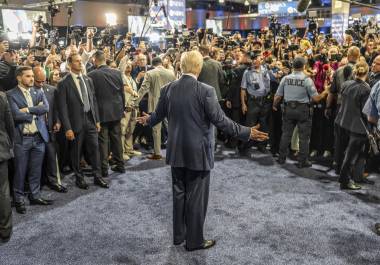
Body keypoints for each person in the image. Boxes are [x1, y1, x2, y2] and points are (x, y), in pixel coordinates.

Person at [137, 50, 268, 251]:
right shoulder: (206, 90)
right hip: (198, 152)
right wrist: (246, 132)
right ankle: (195, 241)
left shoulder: (168, 89)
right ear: (199, 67)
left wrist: (147, 119)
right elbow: (220, 121)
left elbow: (156, 116)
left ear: (181, 66)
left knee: (179, 194)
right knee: (196, 199)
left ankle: (179, 236)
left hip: (175, 151)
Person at [57, 53, 109, 190]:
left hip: (90, 121)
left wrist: (97, 120)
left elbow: (93, 101)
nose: (80, 63)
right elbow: (62, 109)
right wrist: (67, 128)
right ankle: (79, 178)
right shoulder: (63, 83)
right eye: (77, 61)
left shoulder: (88, 80)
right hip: (75, 123)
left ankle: (98, 177)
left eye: (81, 61)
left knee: (95, 150)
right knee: (76, 152)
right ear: (69, 64)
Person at [7, 66, 52, 214]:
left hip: (38, 137)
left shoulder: (38, 91)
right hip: (22, 139)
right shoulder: (10, 94)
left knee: (36, 170)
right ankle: (18, 199)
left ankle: (35, 195)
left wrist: (27, 110)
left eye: (32, 76)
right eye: (28, 76)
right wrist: (34, 111)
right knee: (20, 171)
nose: (32, 79)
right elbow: (15, 115)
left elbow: (46, 108)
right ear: (19, 78)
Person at [273, 57, 329, 168]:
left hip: (288, 109)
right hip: (303, 110)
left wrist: (274, 105)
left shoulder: (286, 78)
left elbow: (278, 96)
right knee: (304, 138)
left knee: (286, 134)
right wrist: (326, 91)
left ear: (293, 66)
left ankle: (281, 158)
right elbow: (316, 98)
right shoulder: (307, 80)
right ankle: (302, 161)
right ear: (304, 66)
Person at [88, 51, 126, 177]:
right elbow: (122, 93)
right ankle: (120, 165)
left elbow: (91, 96)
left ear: (95, 60)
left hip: (102, 113)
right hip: (116, 111)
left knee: (103, 142)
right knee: (116, 139)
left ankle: (104, 170)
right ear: (105, 59)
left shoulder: (92, 75)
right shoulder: (117, 73)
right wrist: (122, 109)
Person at [335, 60, 371, 190]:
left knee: (342, 152)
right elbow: (366, 112)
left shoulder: (346, 84)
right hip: (357, 127)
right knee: (351, 156)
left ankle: (342, 176)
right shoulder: (366, 88)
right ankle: (345, 181)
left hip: (341, 121)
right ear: (367, 72)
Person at [33, 67, 67, 193]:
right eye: (38, 81)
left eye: (43, 81)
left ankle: (54, 181)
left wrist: (58, 121)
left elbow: (57, 108)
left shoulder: (52, 90)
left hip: (50, 130)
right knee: (36, 160)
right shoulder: (28, 92)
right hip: (35, 132)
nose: (41, 84)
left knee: (52, 157)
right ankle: (39, 183)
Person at [135, 57, 176, 160]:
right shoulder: (171, 73)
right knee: (172, 127)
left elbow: (143, 89)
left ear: (152, 64)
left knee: (156, 129)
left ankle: (157, 153)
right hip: (170, 104)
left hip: (156, 105)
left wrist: (134, 102)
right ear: (161, 63)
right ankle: (175, 151)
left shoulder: (150, 73)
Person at [240, 53, 271, 154]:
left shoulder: (266, 70)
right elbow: (243, 89)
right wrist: (243, 104)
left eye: (256, 59)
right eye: (252, 60)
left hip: (265, 101)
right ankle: (246, 147)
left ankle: (262, 145)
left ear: (260, 60)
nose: (253, 61)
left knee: (263, 124)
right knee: (250, 124)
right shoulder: (247, 72)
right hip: (253, 101)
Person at [0, 90, 14, 243]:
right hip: (1, 149)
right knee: (3, 190)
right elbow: (10, 124)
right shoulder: (2, 96)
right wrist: (9, 144)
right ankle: (5, 230)